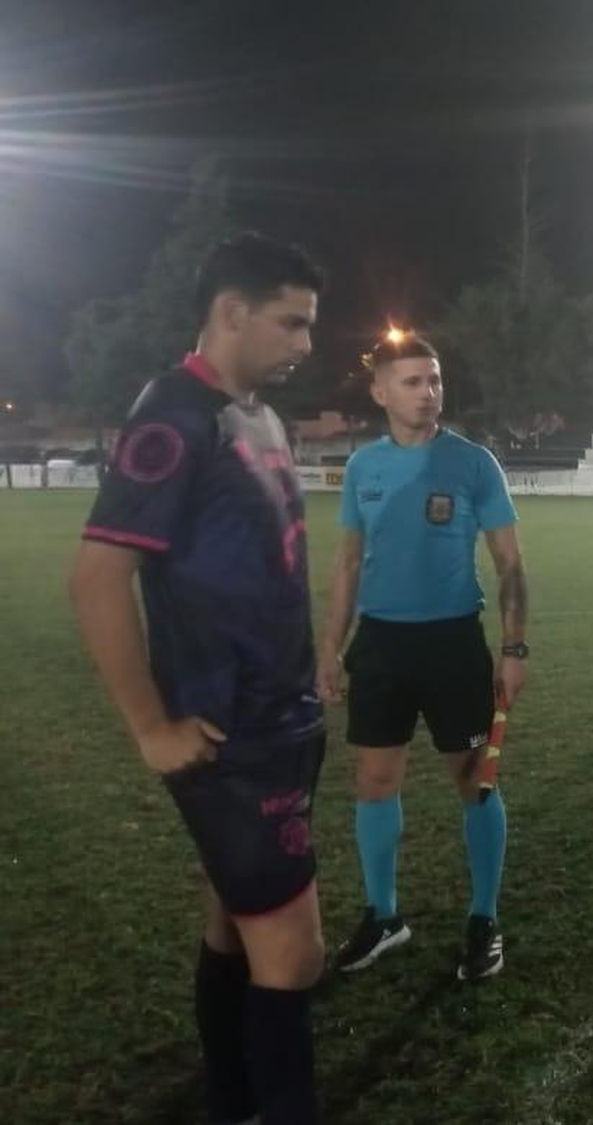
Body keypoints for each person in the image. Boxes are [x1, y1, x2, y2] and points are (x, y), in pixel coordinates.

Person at [69, 232, 327, 1124]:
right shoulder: (175, 413)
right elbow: (98, 575)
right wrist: (151, 727)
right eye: (291, 323)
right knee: (292, 955)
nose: (305, 344)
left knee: (234, 919)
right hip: (232, 734)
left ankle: (233, 1102)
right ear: (231, 311)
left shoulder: (254, 413)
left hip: (282, 717)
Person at [318, 332, 527, 983]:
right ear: (380, 391)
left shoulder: (473, 462)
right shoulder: (362, 468)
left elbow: (510, 563)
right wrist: (330, 644)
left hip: (453, 643)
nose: (427, 392)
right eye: (411, 381)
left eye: (433, 380)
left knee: (474, 780)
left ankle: (483, 918)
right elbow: (349, 562)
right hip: (380, 642)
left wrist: (514, 646)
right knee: (374, 780)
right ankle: (384, 915)